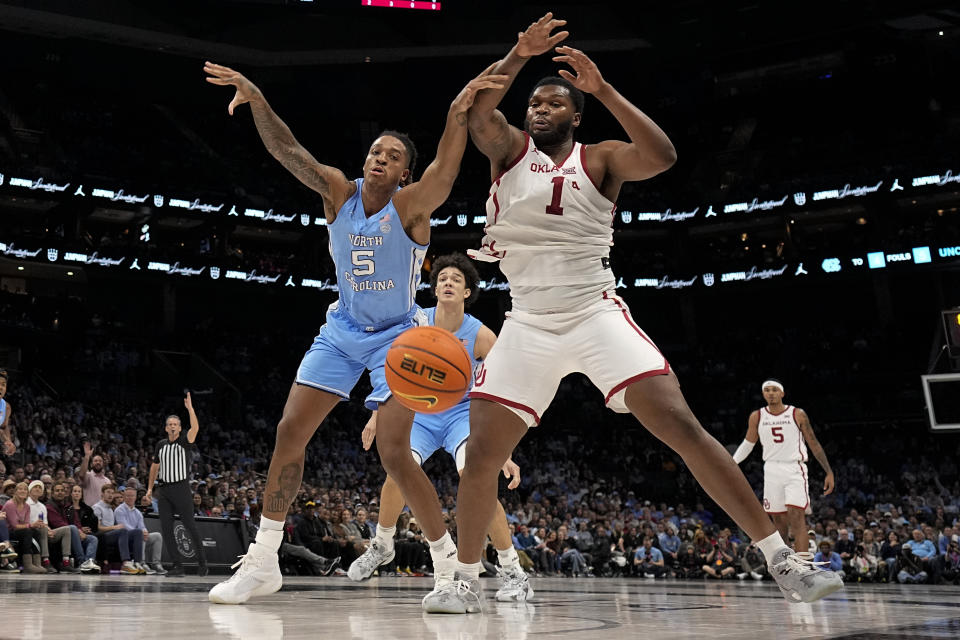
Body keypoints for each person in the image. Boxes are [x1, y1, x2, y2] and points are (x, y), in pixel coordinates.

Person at [432, 12, 842, 613]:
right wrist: (518, 54)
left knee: (682, 427)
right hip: (527, 323)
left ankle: (784, 561)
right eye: (534, 102)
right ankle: (463, 581)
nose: (538, 109)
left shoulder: (600, 159)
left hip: (595, 312)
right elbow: (475, 112)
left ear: (575, 116)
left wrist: (604, 90)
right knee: (483, 456)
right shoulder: (509, 150)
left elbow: (663, 155)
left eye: (553, 102)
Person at [202, 59, 507, 607]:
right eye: (375, 151)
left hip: (398, 338)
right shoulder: (338, 194)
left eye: (392, 157)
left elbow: (444, 169)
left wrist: (457, 115)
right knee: (289, 431)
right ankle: (263, 558)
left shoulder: (410, 208)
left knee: (396, 455)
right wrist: (257, 99)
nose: (379, 159)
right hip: (342, 328)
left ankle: (448, 570)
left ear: (403, 175)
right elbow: (288, 152)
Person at [348, 253, 532, 603]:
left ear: (467, 292)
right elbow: (394, 371)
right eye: (442, 278)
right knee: (398, 470)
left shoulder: (481, 336)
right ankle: (382, 544)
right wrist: (377, 414)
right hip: (420, 414)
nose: (447, 282)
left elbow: (500, 397)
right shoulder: (416, 322)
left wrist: (503, 451)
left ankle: (514, 571)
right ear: (434, 289)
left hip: (462, 414)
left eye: (456, 280)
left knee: (477, 480)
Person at [731, 380, 835, 552]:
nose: (770, 393)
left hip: (794, 468)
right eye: (766, 390)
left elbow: (814, 443)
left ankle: (803, 563)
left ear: (782, 393)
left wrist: (828, 471)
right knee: (778, 521)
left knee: (796, 516)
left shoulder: (797, 414)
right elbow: (748, 444)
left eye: (774, 390)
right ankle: (786, 565)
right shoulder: (757, 416)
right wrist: (732, 463)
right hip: (771, 469)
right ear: (763, 394)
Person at [144, 393, 207, 577]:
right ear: (166, 428)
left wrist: (190, 409)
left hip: (181, 488)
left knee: (189, 525)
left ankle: (202, 562)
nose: (172, 426)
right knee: (166, 528)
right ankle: (177, 565)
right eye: (170, 424)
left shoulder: (185, 441)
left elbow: (195, 427)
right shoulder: (160, 445)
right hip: (163, 490)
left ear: (180, 428)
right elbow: (154, 468)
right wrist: (149, 489)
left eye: (175, 424)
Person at [92, 484, 143, 574]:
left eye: (112, 493)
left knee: (138, 532)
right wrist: (114, 527)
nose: (110, 495)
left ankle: (137, 562)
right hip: (102, 536)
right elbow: (98, 527)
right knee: (122, 531)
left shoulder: (110, 509)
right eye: (108, 492)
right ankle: (125, 563)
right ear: (102, 494)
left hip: (113, 534)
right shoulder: (97, 507)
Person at [115, 486, 165, 575]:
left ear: (135, 497)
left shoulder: (138, 512)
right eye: (128, 496)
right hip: (126, 537)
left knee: (157, 536)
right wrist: (140, 532)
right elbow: (123, 526)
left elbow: (142, 526)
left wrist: (144, 531)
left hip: (138, 535)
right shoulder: (119, 510)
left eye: (132, 496)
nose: (130, 498)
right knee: (139, 534)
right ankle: (141, 562)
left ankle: (156, 564)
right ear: (124, 497)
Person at [26, 479, 70, 573]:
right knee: (43, 530)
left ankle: (66, 562)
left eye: (40, 488)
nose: (38, 489)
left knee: (66, 529)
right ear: (30, 490)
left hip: (43, 530)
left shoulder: (42, 506)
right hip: (31, 530)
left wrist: (49, 530)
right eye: (35, 487)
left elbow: (45, 523)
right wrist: (44, 528)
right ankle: (45, 561)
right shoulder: (26, 504)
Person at [2, 482, 45, 573]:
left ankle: (37, 563)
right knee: (28, 531)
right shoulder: (10, 504)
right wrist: (31, 525)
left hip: (19, 531)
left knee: (35, 531)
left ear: (28, 493)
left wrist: (32, 526)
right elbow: (14, 526)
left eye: (25, 489)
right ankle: (27, 564)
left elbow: (26, 524)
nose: (23, 491)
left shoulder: (27, 506)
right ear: (15, 492)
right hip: (7, 532)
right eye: (20, 489)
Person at [64, 484, 101, 574]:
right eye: (75, 491)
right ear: (71, 494)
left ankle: (89, 561)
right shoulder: (66, 508)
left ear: (82, 495)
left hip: (84, 535)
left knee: (93, 538)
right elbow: (65, 523)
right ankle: (82, 562)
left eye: (79, 491)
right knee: (74, 530)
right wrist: (79, 530)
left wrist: (86, 530)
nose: (77, 493)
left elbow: (93, 524)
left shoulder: (87, 509)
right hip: (71, 534)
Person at [76, 443, 110, 508]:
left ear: (103, 464)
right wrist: (87, 456)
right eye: (95, 461)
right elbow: (81, 474)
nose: (98, 462)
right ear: (91, 464)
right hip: (90, 512)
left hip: (103, 512)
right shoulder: (88, 476)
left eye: (100, 461)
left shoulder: (107, 481)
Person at [0, 370, 17, 456]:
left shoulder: (6, 406)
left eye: (3, 384)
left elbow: (4, 427)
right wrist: (5, 439)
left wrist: (9, 443)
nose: (1, 388)